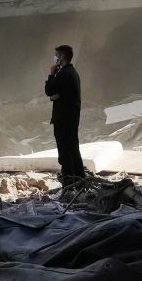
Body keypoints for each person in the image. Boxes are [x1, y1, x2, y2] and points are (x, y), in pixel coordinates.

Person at [45, 44, 85, 183]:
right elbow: (59, 93)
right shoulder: (71, 72)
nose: (55, 57)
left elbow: (49, 90)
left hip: (63, 118)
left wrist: (51, 74)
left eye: (57, 54)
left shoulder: (63, 74)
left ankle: (69, 180)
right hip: (71, 117)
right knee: (72, 147)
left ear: (62, 57)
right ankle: (78, 178)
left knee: (65, 150)